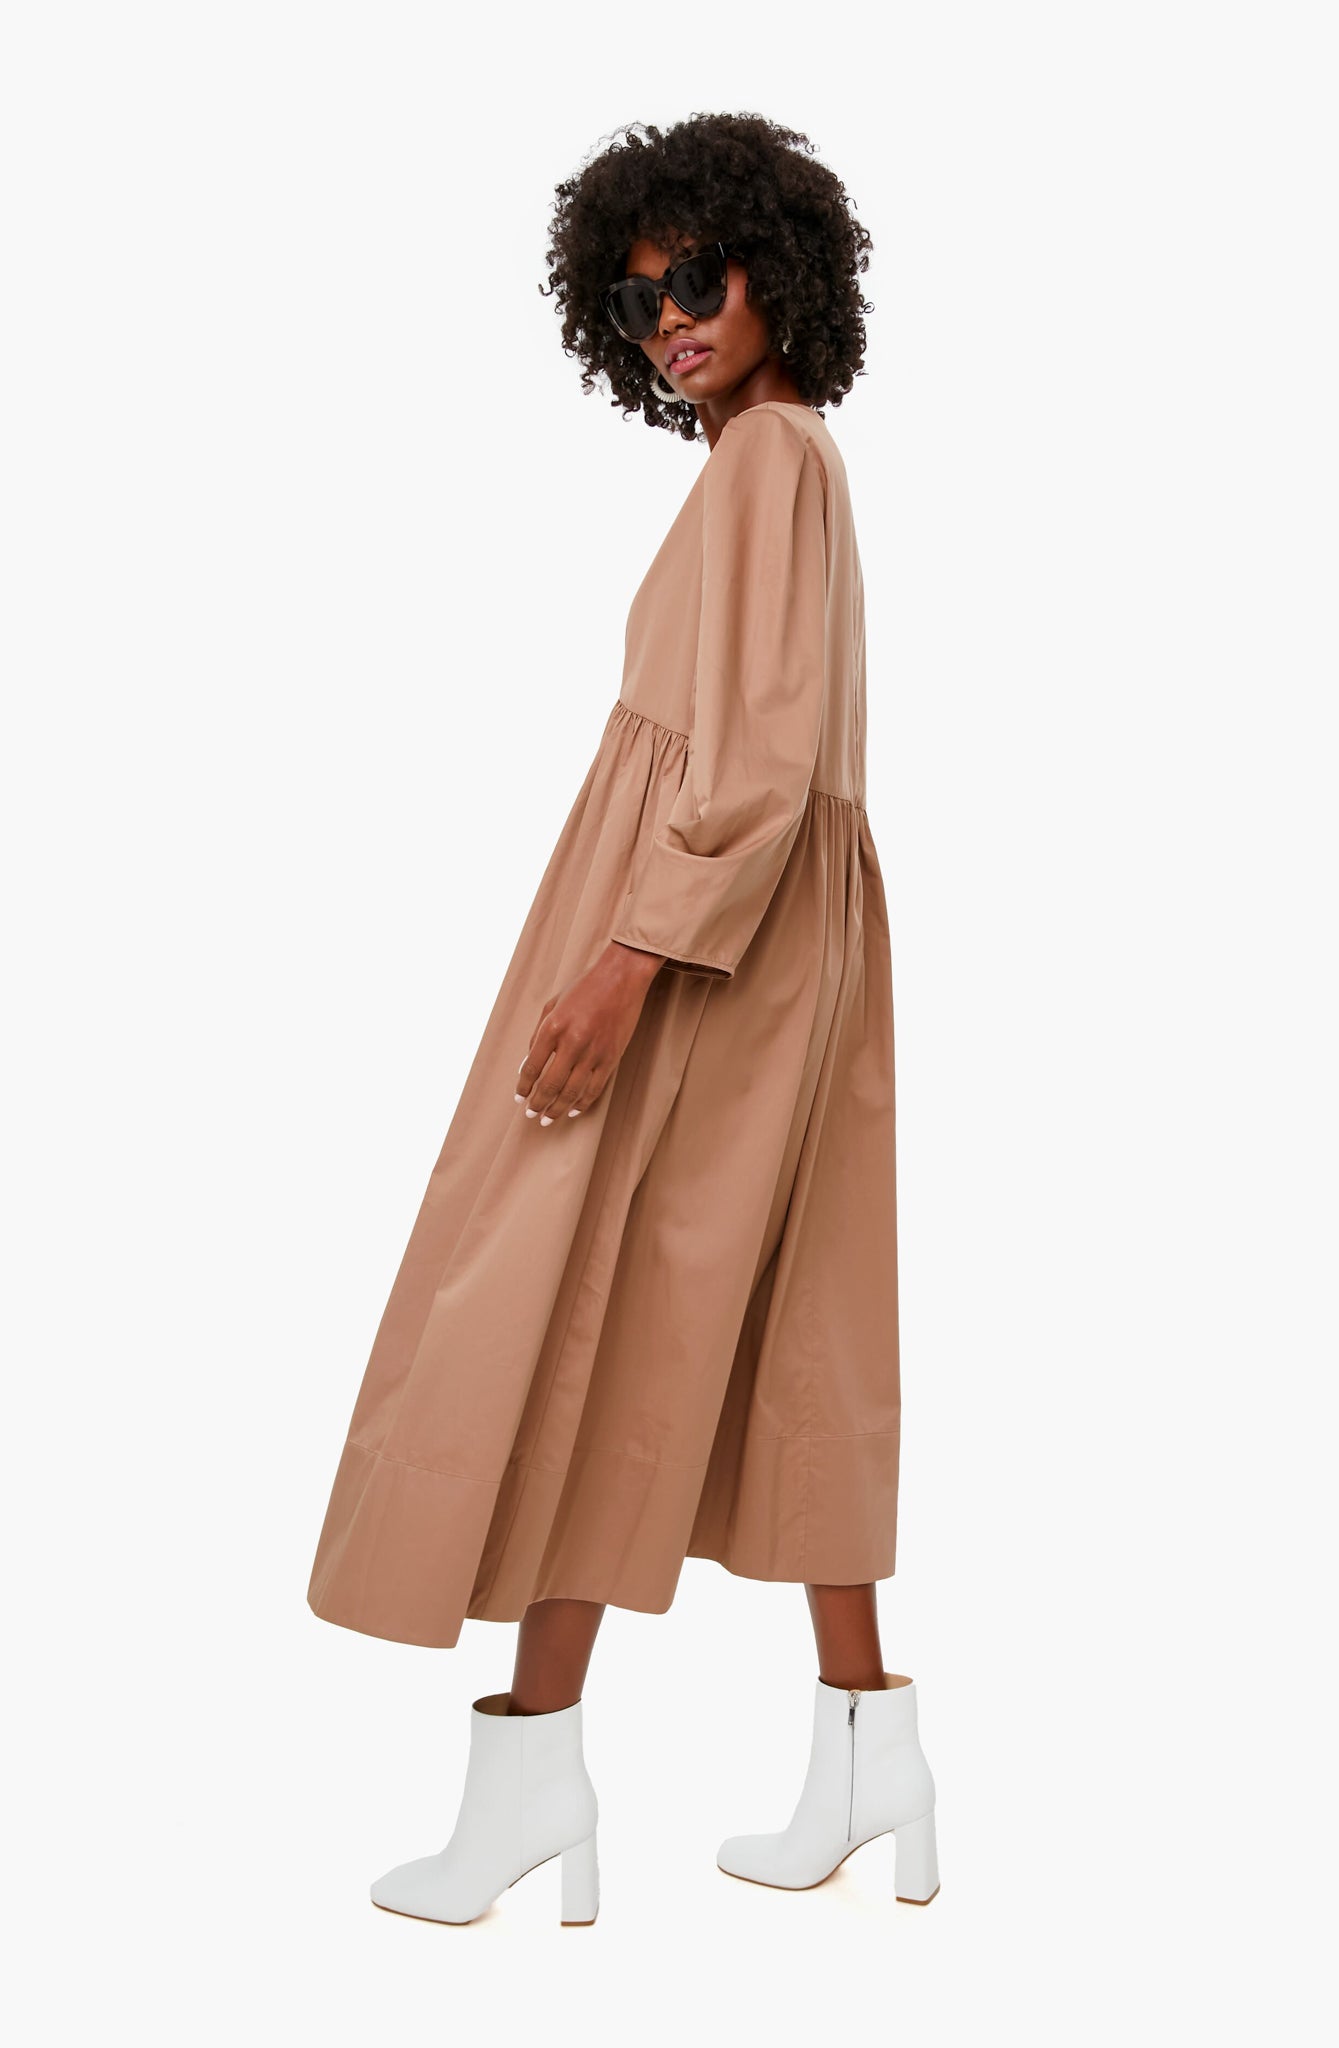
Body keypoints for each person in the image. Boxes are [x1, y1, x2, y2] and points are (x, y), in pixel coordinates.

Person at [307, 111, 938, 1926]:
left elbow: (750, 764)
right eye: (636, 296)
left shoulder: (767, 464)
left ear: (777, 272)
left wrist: (626, 961)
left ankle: (531, 1777)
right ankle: (866, 1752)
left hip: (697, 936)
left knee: (583, 1307)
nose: (669, 319)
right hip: (772, 931)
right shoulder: (776, 462)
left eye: (697, 279)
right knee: (782, 1321)